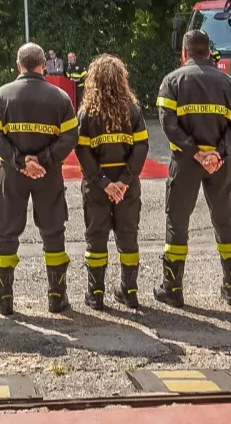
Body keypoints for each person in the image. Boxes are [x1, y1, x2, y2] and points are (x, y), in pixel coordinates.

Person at [156, 29, 231, 307]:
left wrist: (195, 153)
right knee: (225, 221)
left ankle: (173, 289)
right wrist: (218, 153)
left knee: (177, 222)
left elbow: (168, 125)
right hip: (220, 163)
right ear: (209, 51)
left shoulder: (172, 81)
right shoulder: (230, 83)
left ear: (184, 53)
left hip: (185, 163)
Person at [0, 43, 79, 315]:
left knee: (6, 231)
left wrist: (19, 160)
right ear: (42, 65)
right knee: (53, 232)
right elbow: (70, 137)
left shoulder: (1, 95)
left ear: (18, 66)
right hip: (47, 175)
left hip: (12, 176)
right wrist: (44, 160)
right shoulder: (60, 97)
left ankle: (3, 300)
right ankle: (57, 298)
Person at [74, 54, 148, 310]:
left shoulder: (86, 114)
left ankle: (95, 294)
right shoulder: (133, 110)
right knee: (128, 236)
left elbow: (83, 152)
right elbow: (142, 147)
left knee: (96, 237)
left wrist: (104, 182)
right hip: (126, 188)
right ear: (121, 80)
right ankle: (130, 291)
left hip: (97, 187)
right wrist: (125, 181)